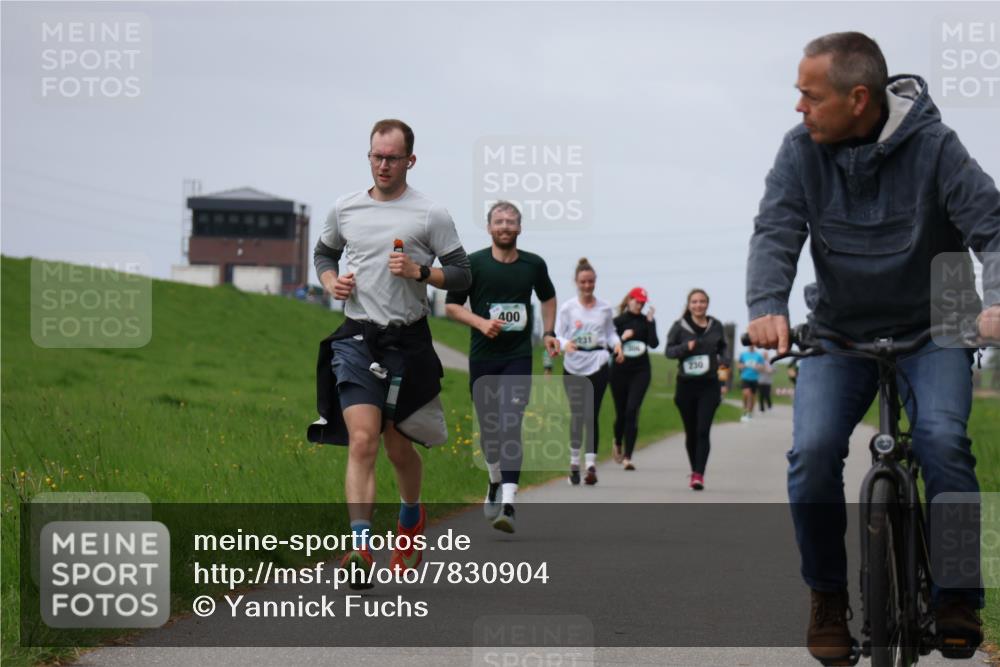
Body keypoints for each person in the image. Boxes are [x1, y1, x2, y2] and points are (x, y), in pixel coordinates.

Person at [745, 32, 999, 664]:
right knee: (812, 453)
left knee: (942, 441)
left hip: (935, 329)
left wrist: (995, 302)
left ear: (858, 98)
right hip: (840, 333)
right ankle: (828, 598)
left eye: (810, 96)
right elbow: (776, 228)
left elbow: (992, 228)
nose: (799, 107)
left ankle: (957, 596)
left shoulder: (936, 148)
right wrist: (767, 306)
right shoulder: (800, 151)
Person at [309, 119, 472, 586]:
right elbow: (324, 254)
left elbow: (462, 274)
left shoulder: (430, 214)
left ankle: (410, 518)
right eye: (376, 156)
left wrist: (421, 272)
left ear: (410, 161)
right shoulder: (345, 208)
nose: (383, 165)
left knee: (399, 445)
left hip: (408, 342)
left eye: (392, 158)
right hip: (358, 339)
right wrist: (330, 282)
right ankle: (360, 548)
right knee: (363, 439)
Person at [445, 201, 558, 534]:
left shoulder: (533, 264)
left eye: (511, 221)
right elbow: (452, 306)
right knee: (490, 429)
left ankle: (509, 502)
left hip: (518, 357)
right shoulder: (473, 264)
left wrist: (549, 332)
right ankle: (494, 481)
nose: (505, 226)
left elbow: (548, 297)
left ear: (519, 228)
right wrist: (481, 323)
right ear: (489, 227)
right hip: (483, 358)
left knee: (511, 422)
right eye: (499, 221)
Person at [555, 258, 622, 486]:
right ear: (576, 282)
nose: (587, 286)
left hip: (598, 362)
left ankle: (591, 465)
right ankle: (574, 463)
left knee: (591, 413)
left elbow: (610, 333)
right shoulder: (568, 308)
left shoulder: (605, 308)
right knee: (577, 413)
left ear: (595, 282)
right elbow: (557, 335)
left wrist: (617, 345)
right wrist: (566, 344)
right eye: (583, 282)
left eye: (591, 281)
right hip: (574, 365)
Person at [665, 289, 728, 490]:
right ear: (689, 304)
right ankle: (695, 470)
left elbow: (723, 347)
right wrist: (686, 347)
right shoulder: (679, 326)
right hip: (686, 386)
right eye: (694, 302)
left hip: (709, 385)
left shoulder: (715, 325)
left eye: (702, 302)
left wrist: (724, 360)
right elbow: (669, 352)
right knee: (691, 432)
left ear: (707, 304)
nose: (698, 305)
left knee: (702, 430)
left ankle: (699, 474)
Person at [610, 287, 658, 471]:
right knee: (621, 413)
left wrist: (651, 322)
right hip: (619, 371)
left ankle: (628, 457)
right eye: (637, 301)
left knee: (632, 410)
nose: (640, 305)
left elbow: (654, 343)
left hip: (641, 371)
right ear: (629, 300)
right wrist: (622, 338)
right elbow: (608, 346)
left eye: (642, 303)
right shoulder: (617, 322)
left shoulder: (646, 321)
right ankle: (618, 441)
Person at [737, 345, 764, 422]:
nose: (751, 346)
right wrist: (743, 366)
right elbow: (739, 365)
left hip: (754, 378)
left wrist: (758, 367)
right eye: (750, 344)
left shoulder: (759, 356)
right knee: (746, 394)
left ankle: (750, 412)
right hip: (745, 377)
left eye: (752, 344)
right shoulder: (743, 355)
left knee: (752, 397)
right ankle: (744, 411)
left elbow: (762, 367)